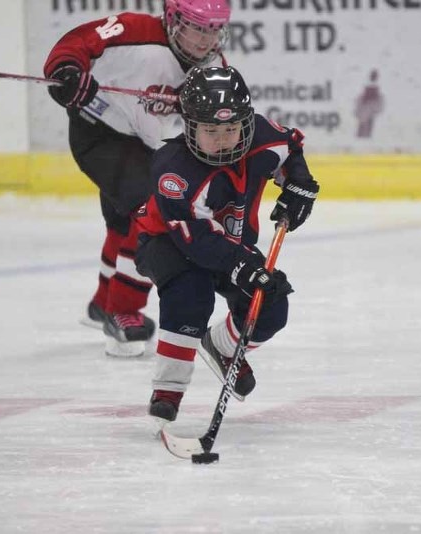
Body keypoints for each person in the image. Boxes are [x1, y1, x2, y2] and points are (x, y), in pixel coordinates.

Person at [43, 0, 231, 357]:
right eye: (197, 27)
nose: (206, 39)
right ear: (174, 20)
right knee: (151, 211)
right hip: (101, 131)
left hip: (146, 146)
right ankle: (123, 311)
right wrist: (68, 72)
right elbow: (75, 43)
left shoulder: (212, 68)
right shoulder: (135, 32)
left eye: (213, 29)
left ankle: (102, 303)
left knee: (121, 222)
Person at [133, 66, 320, 421]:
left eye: (231, 129)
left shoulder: (261, 137)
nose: (222, 139)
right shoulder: (174, 169)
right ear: (190, 126)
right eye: (210, 130)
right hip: (167, 242)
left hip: (230, 243)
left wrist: (297, 183)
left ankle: (223, 346)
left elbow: (290, 148)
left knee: (271, 305)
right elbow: (196, 241)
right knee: (191, 292)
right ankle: (168, 390)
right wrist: (243, 266)